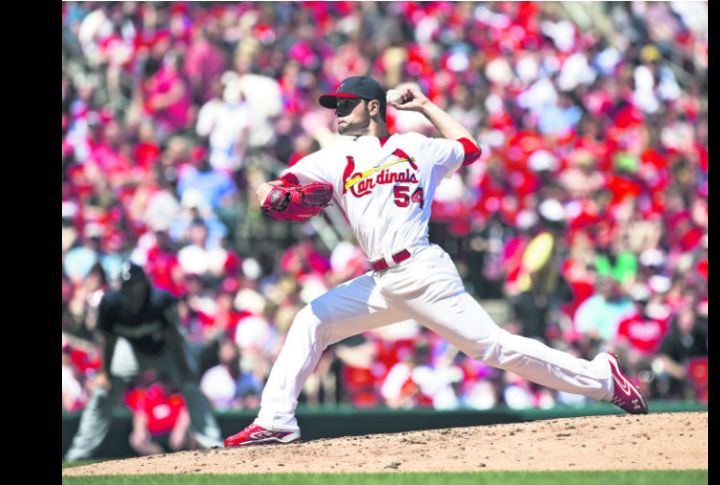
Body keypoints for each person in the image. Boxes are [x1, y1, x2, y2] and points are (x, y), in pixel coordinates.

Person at [224, 76, 648, 447]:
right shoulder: (336, 156)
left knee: (493, 347)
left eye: (346, 103)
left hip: (423, 271)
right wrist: (268, 193)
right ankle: (275, 420)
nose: (338, 110)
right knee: (310, 320)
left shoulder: (416, 146)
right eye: (335, 105)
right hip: (379, 281)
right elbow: (280, 183)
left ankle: (603, 379)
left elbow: (470, 147)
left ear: (373, 108)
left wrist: (425, 105)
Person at [64, 262, 222, 461]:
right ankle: (78, 454)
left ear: (145, 284)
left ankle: (214, 443)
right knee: (102, 392)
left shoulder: (161, 300)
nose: (132, 290)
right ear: (120, 287)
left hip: (165, 351)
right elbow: (108, 340)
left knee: (190, 386)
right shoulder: (110, 303)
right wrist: (105, 374)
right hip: (130, 351)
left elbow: (174, 337)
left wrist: (184, 370)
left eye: (135, 284)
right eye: (127, 285)